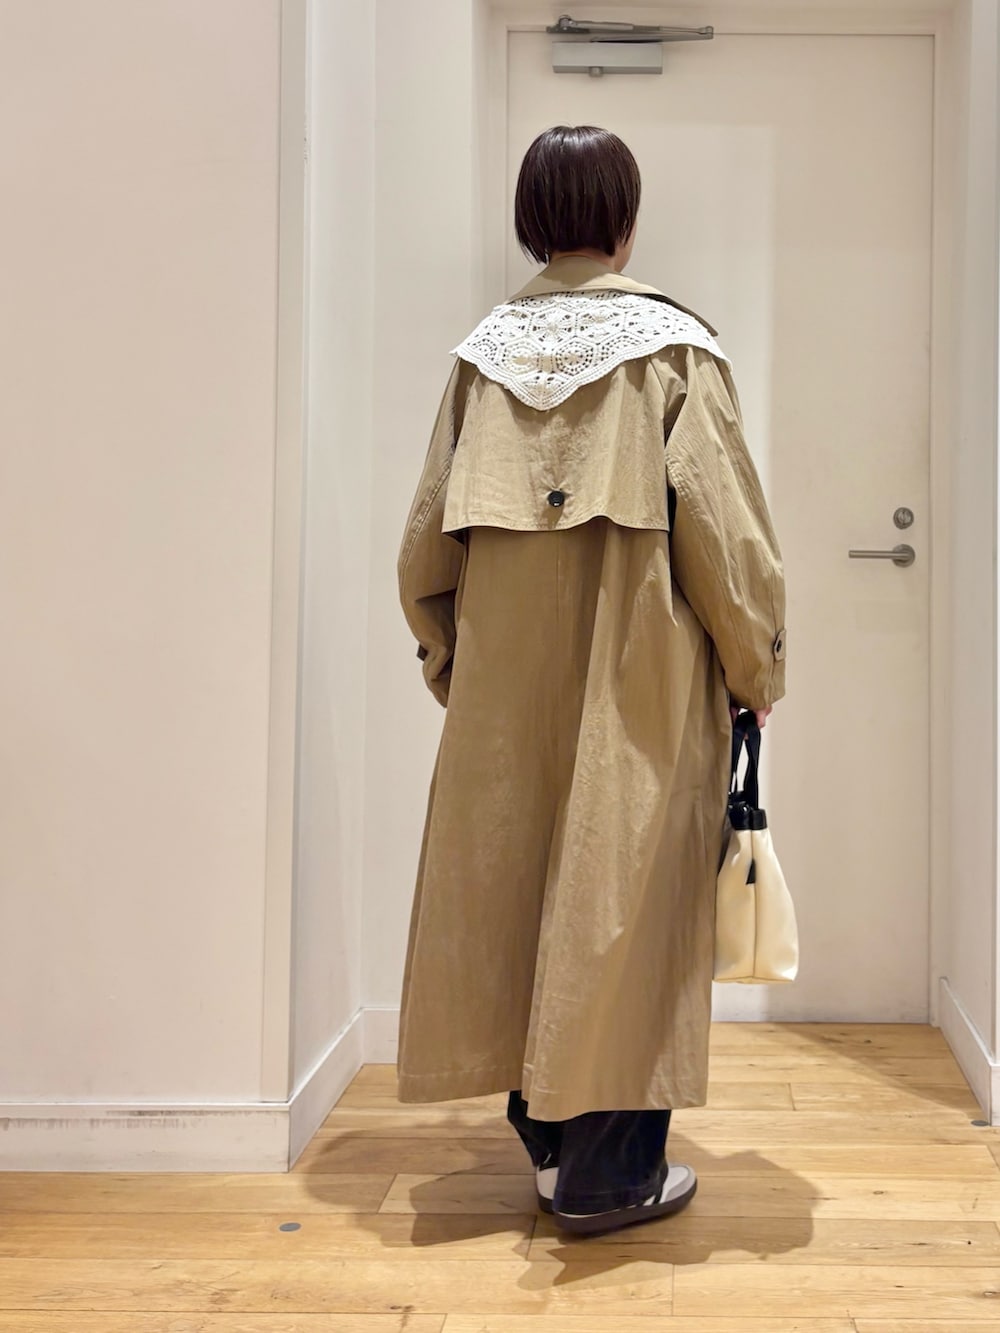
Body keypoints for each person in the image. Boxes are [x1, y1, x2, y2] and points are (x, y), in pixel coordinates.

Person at [395, 125, 786, 1235]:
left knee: (514, 889)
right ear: (625, 219)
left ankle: (552, 1142)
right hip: (643, 686)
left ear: (531, 222)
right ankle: (610, 1174)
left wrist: (460, 671)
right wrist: (755, 663)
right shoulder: (676, 355)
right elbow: (727, 537)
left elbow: (423, 554)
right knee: (627, 901)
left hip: (503, 694)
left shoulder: (479, 363)